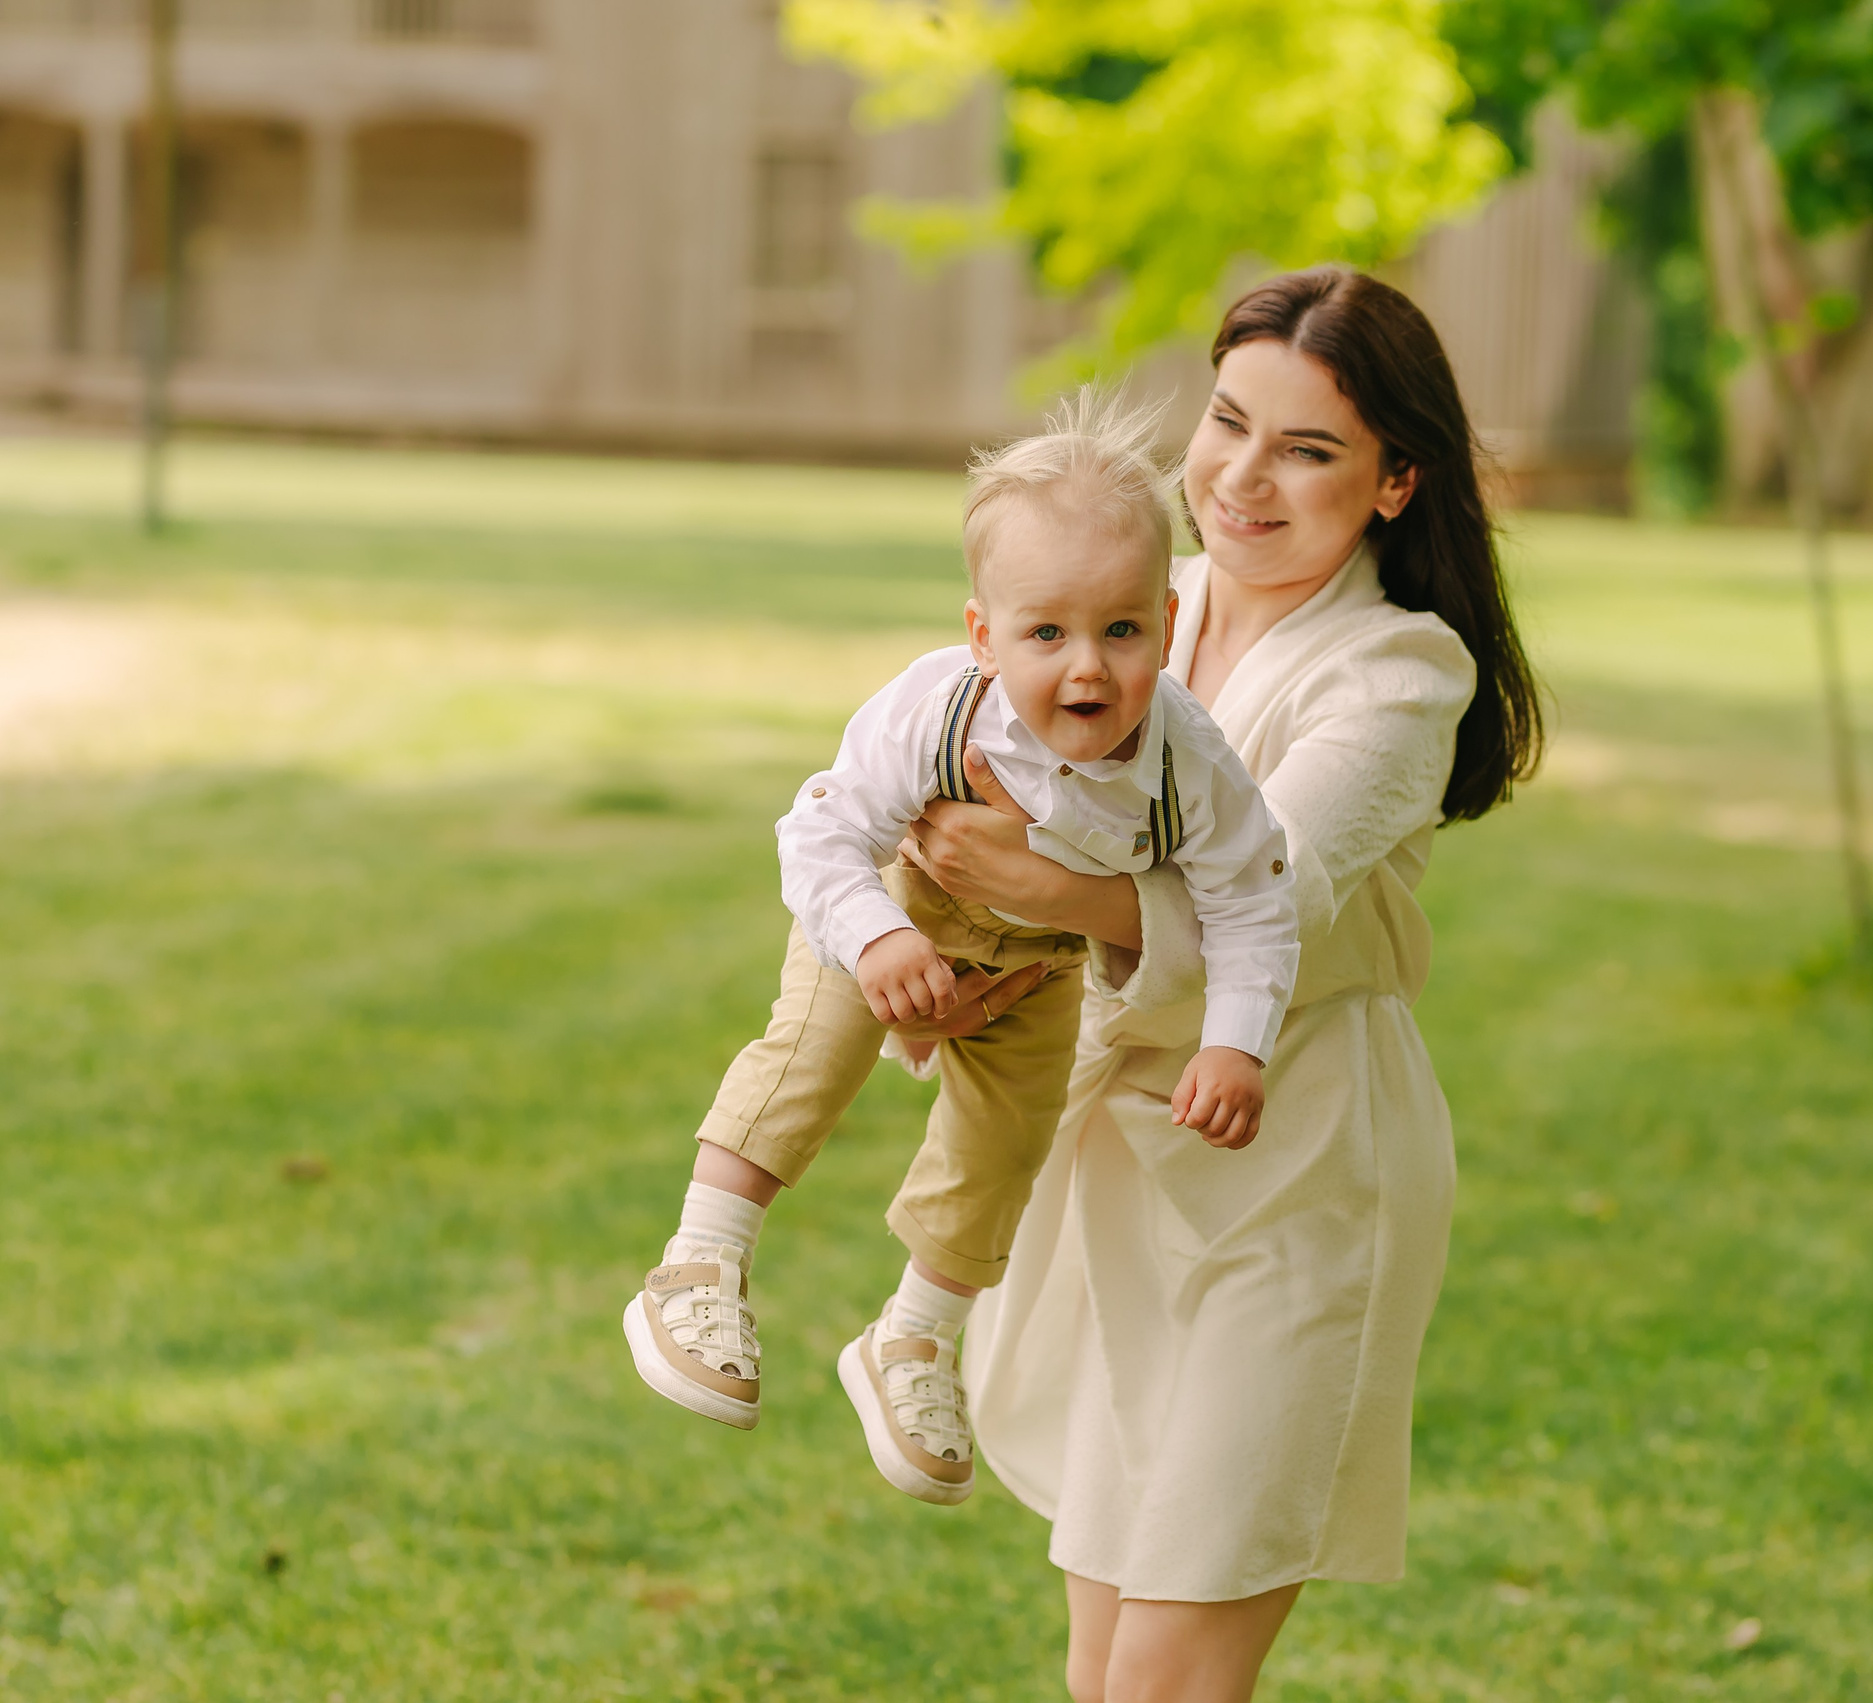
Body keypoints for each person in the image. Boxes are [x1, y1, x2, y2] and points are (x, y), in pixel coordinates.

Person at [896, 267, 1543, 1702]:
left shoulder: (1395, 669)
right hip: (1124, 1166)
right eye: (1229, 422)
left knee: (1168, 1683)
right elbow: (956, 786)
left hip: (1294, 1172)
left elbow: (1268, 897)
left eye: (1308, 450)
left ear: (1394, 482)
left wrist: (1033, 886)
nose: (1244, 478)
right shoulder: (1138, 607)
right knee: (1099, 1667)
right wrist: (945, 955)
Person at [621, 392, 1298, 1509]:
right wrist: (878, 937)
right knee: (816, 1045)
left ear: (1166, 627)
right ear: (983, 634)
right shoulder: (936, 711)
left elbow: (1252, 901)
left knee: (1008, 1134)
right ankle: (699, 1256)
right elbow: (823, 828)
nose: (1087, 669)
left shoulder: (1194, 766)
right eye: (1046, 633)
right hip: (898, 903)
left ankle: (914, 1337)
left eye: (1121, 630)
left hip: (1046, 960)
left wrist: (1235, 1042)